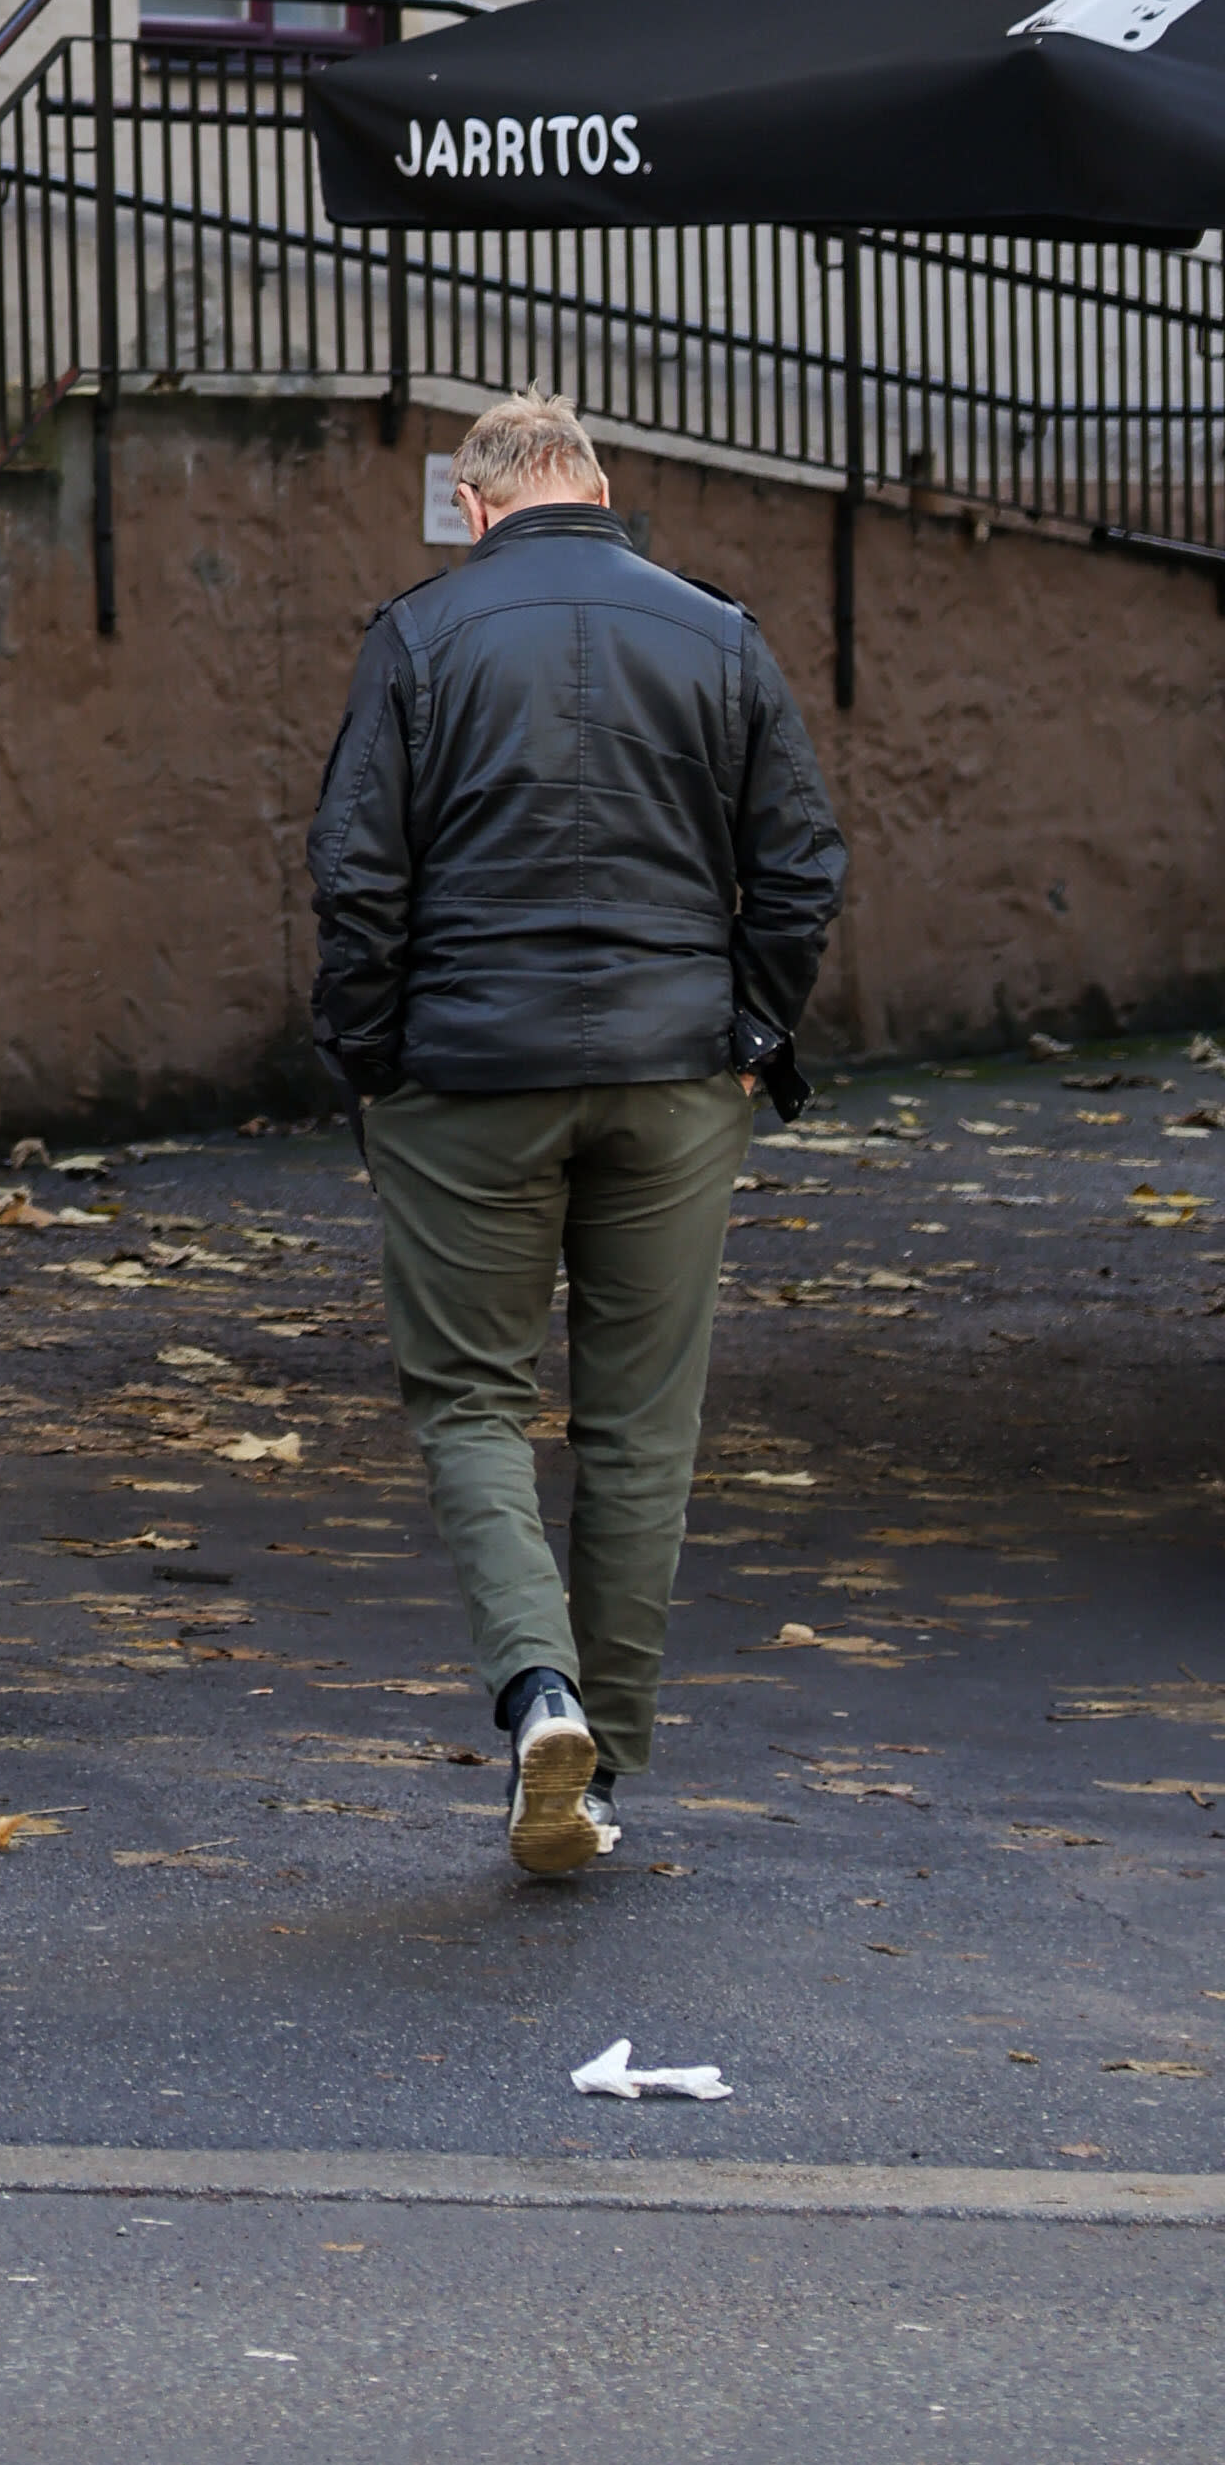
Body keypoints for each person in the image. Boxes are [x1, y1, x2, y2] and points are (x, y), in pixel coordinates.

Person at [310, 387, 844, 1881]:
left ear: (476, 507)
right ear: (601, 493)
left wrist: (372, 1057)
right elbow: (801, 864)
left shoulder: (420, 636)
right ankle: (599, 1769)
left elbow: (357, 875)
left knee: (472, 1402)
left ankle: (538, 1690)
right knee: (642, 1426)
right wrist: (750, 1032)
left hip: (470, 1069)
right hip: (676, 1074)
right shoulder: (719, 635)